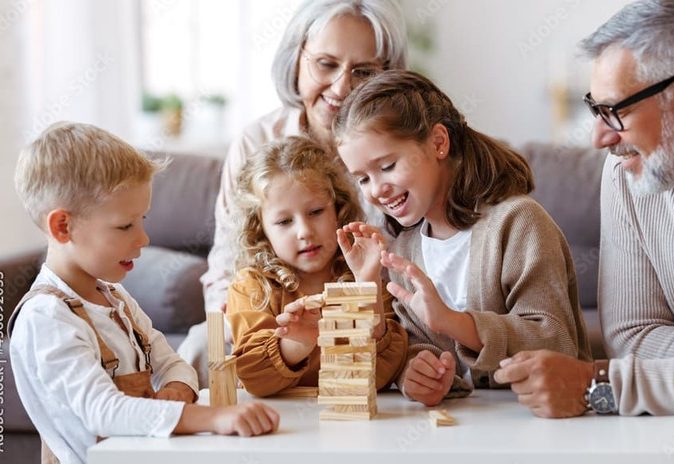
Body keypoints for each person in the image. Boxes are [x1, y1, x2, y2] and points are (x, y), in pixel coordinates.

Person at [494, 0, 674, 418]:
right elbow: (630, 336)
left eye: (615, 111)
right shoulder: (625, 174)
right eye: (594, 109)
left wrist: (596, 386)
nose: (600, 137)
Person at [10, 122, 279, 464]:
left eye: (143, 220)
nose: (144, 239)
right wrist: (212, 418)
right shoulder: (46, 318)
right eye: (125, 226)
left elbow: (171, 362)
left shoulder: (115, 298)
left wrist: (177, 388)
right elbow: (102, 411)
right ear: (63, 226)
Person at [180, 0, 408, 387]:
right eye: (326, 64)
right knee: (205, 345)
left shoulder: (399, 149)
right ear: (297, 59)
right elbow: (228, 259)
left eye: (363, 71)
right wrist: (255, 327)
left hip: (374, 309)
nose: (342, 87)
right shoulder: (256, 141)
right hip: (270, 314)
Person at [334, 70, 592, 407]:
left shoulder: (518, 223)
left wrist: (455, 323)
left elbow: (556, 343)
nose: (377, 190)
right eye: (363, 179)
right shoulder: (404, 251)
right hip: (462, 429)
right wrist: (412, 370)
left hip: (540, 421)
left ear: (439, 143)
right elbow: (416, 343)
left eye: (388, 166)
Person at [225, 135, 407, 396]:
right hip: (283, 427)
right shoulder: (251, 286)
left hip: (353, 425)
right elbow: (254, 379)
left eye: (315, 212)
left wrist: (366, 284)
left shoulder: (366, 272)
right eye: (284, 222)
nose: (304, 232)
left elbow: (381, 375)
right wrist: (297, 343)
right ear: (261, 230)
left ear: (338, 209)